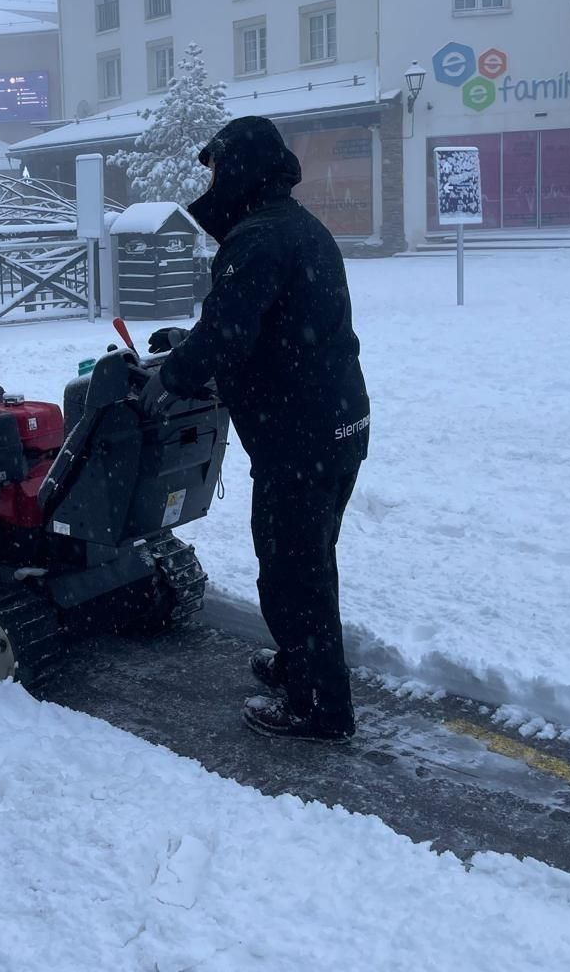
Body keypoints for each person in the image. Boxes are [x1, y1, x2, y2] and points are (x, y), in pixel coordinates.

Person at [139, 116, 370, 741]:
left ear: (239, 168)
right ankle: (303, 666)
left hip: (302, 435)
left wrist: (173, 375)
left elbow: (229, 335)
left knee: (291, 570)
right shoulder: (296, 227)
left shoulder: (259, 239)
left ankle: (320, 707)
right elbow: (266, 326)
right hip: (337, 423)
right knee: (308, 559)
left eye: (215, 168)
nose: (210, 181)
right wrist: (199, 346)